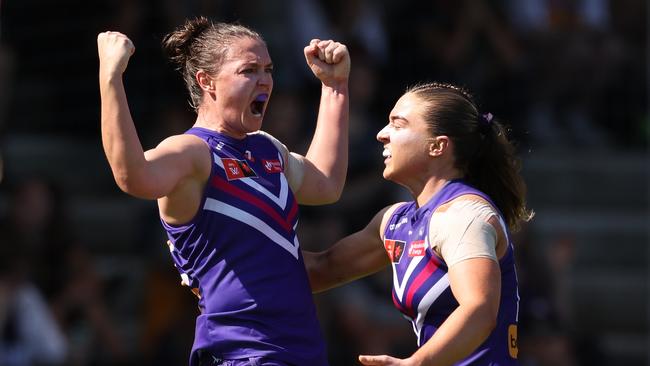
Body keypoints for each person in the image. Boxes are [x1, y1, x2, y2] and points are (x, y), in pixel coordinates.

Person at [97, 16, 350, 366]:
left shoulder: (267, 149)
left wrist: (334, 86)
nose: (265, 81)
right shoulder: (192, 151)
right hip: (242, 352)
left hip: (300, 351)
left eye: (268, 69)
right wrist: (110, 77)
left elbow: (325, 184)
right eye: (249, 70)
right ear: (207, 82)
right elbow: (132, 175)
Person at [304, 82, 533, 365]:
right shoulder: (394, 221)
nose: (381, 135)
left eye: (398, 125)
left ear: (438, 146)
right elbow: (321, 269)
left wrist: (416, 363)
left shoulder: (463, 215)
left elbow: (480, 309)